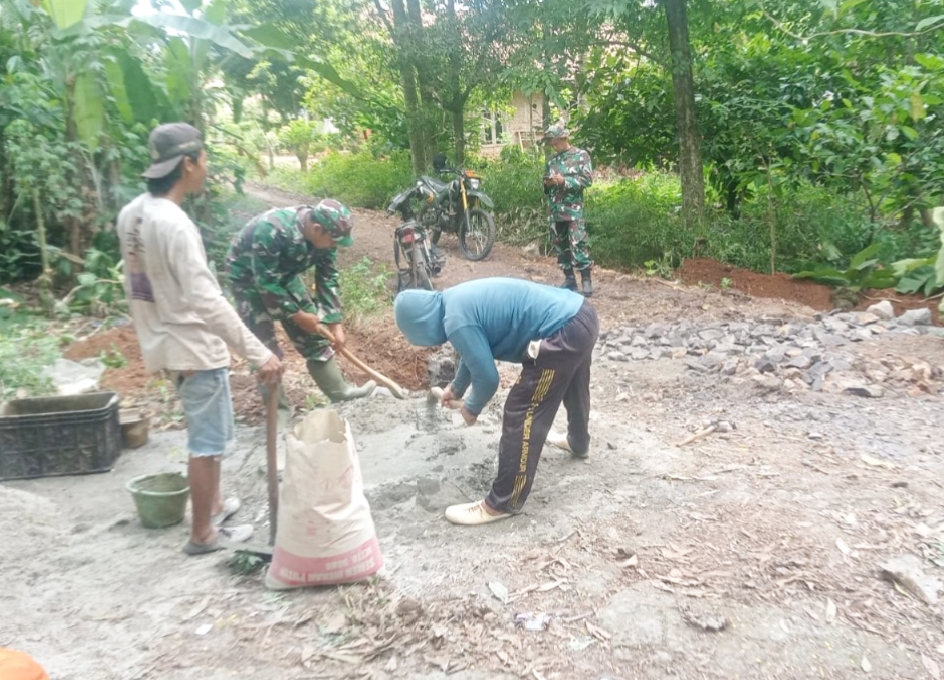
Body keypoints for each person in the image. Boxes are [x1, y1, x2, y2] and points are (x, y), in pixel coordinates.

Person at [117, 123, 281, 555]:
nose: (207, 167)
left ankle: (218, 504)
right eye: (205, 159)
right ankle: (203, 533)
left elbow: (136, 284)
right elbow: (206, 299)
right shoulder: (175, 225)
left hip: (163, 341)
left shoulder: (132, 213)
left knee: (203, 433)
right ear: (188, 164)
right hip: (192, 346)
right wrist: (258, 351)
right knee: (207, 444)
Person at [393, 278, 598, 525]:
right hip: (580, 313)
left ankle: (502, 502)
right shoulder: (454, 302)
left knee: (521, 409)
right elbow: (476, 353)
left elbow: (489, 379)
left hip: (562, 332)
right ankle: (578, 441)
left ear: (419, 327)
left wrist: (472, 407)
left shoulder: (455, 321)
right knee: (573, 383)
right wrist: (456, 389)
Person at [226, 199, 374, 423]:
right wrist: (296, 315)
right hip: (249, 280)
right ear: (317, 229)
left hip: (285, 276)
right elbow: (265, 283)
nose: (335, 246)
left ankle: (340, 392)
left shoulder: (326, 237)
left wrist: (335, 324)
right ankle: (279, 414)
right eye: (333, 241)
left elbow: (327, 277)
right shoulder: (273, 229)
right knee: (265, 350)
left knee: (314, 336)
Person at [543, 124, 594, 297]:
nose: (553, 145)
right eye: (551, 143)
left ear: (564, 138)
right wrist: (548, 183)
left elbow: (587, 181)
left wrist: (565, 181)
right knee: (560, 245)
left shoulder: (581, 156)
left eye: (555, 142)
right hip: (555, 210)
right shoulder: (551, 161)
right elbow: (546, 185)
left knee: (578, 243)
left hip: (573, 210)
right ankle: (569, 279)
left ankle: (586, 280)